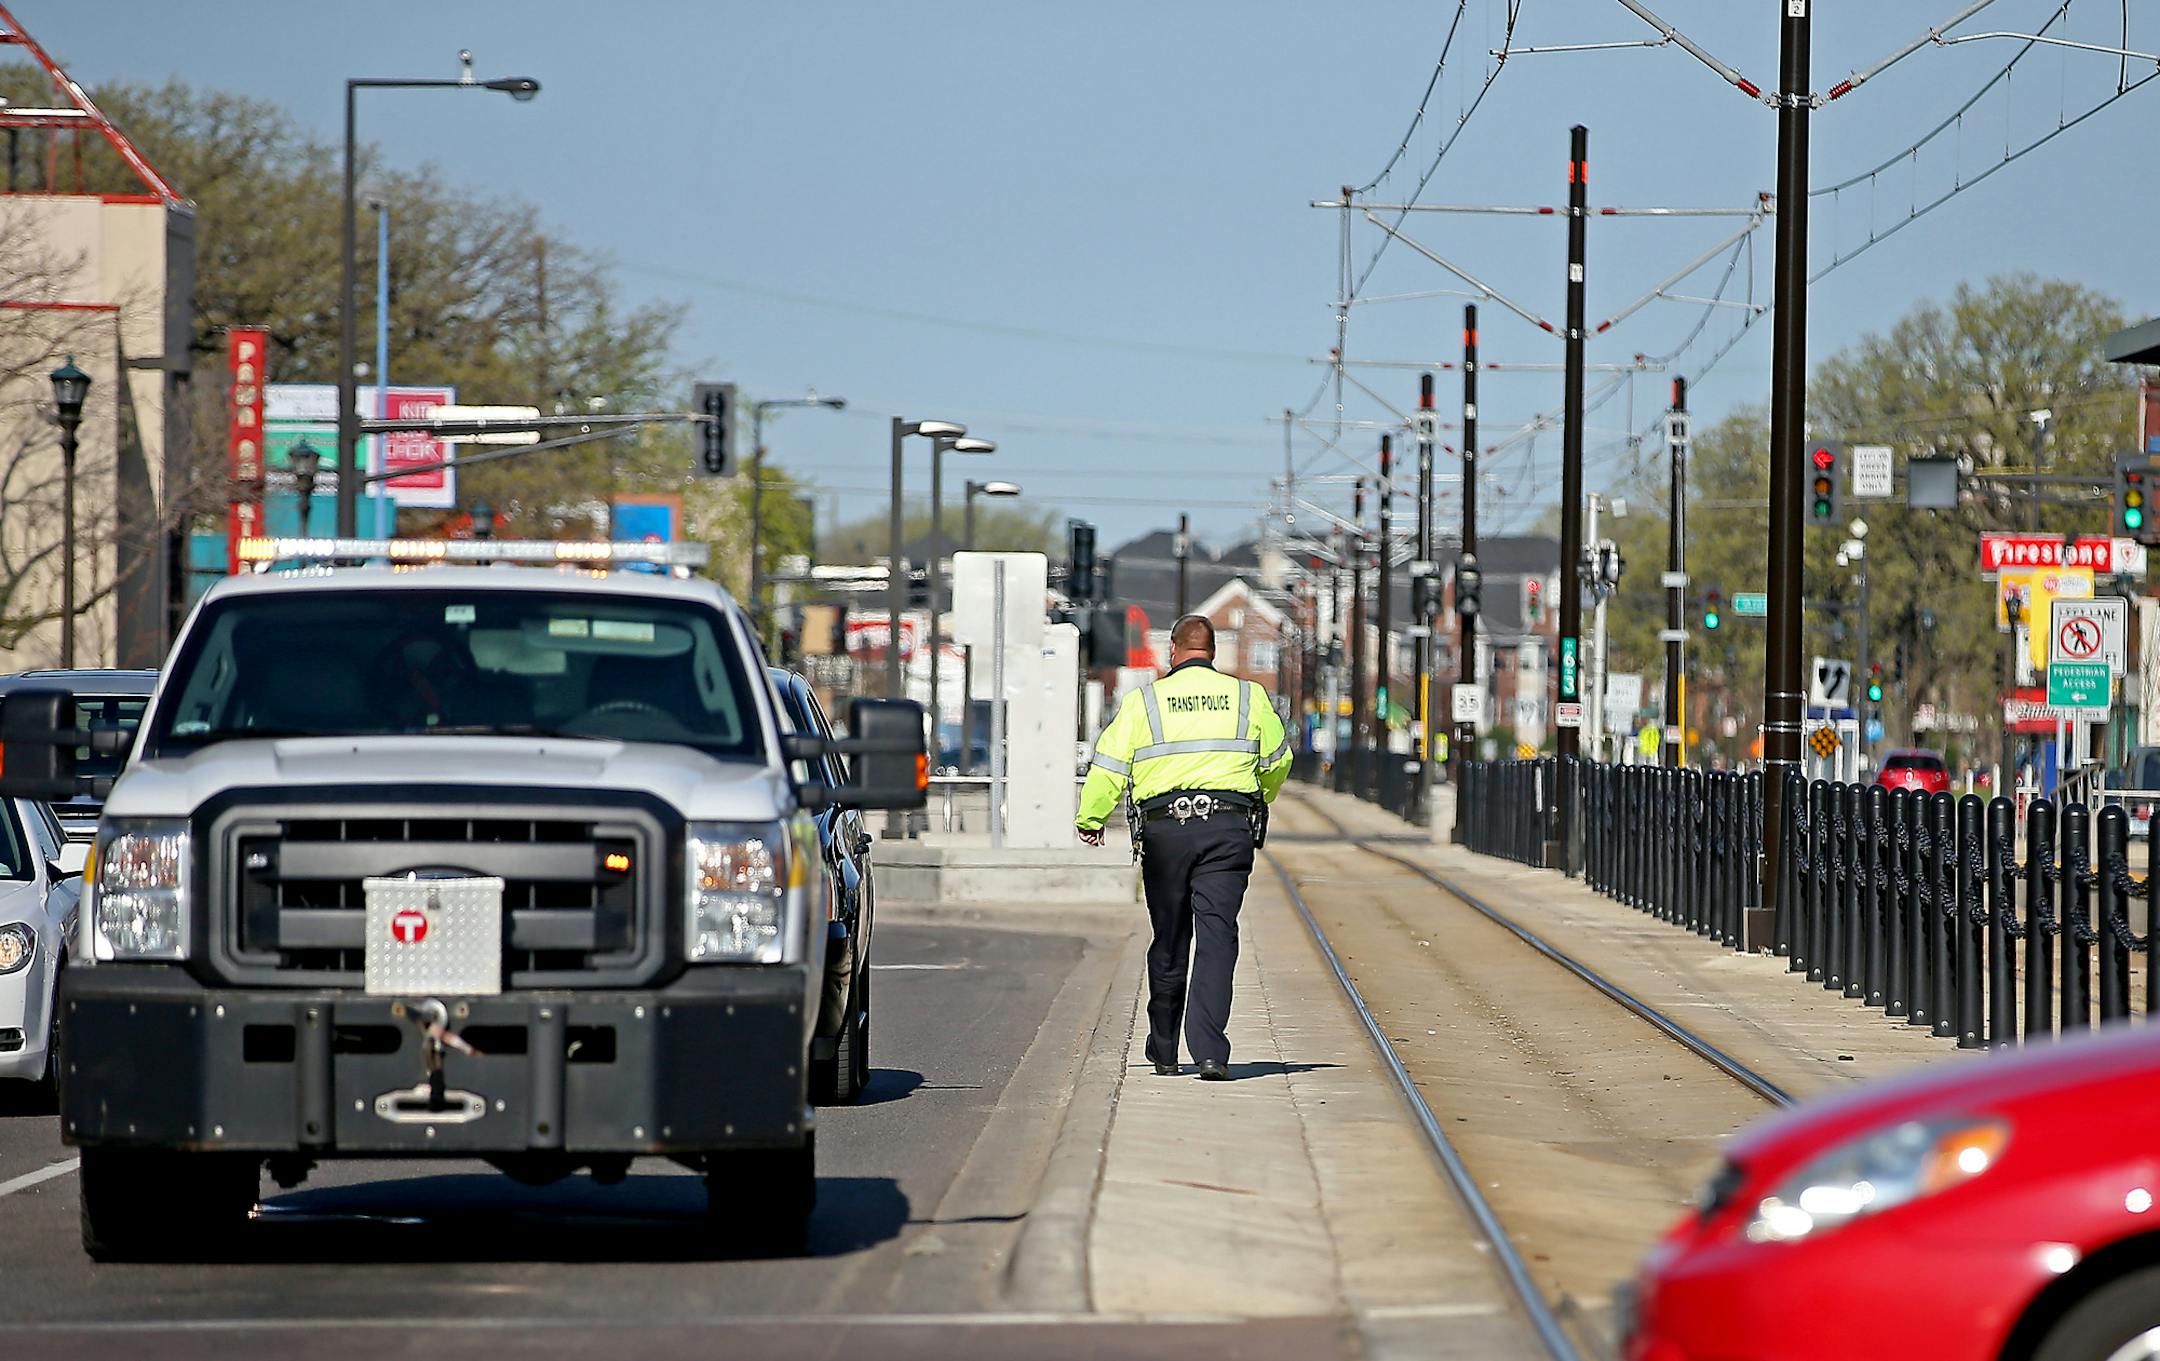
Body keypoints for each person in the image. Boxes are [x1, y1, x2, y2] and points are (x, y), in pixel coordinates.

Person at [1076, 614, 1292, 1080]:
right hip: (1228, 829)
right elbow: (1278, 759)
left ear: (1173, 651)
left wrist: (1091, 817)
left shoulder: (1145, 702)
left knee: (1170, 939)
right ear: (1212, 652)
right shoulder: (1248, 697)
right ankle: (1210, 1051)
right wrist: (1262, 793)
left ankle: (1166, 1049)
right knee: (1218, 937)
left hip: (1166, 832)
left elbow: (1109, 764)